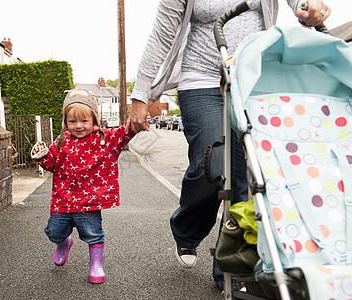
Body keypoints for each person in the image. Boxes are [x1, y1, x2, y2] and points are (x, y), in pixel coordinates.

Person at [129, 0, 330, 286]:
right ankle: (187, 228)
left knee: (244, 180)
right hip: (201, 78)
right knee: (211, 165)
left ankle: (230, 264)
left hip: (252, 78)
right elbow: (162, 35)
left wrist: (307, 5)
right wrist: (140, 94)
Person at [31, 89, 144, 284]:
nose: (78, 126)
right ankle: (64, 243)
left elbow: (123, 133)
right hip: (63, 200)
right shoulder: (61, 141)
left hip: (89, 202)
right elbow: (52, 165)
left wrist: (136, 123)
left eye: (84, 121)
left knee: (93, 234)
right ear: (65, 122)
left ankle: (96, 265)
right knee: (54, 231)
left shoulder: (104, 139)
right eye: (72, 121)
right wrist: (42, 155)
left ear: (95, 120)